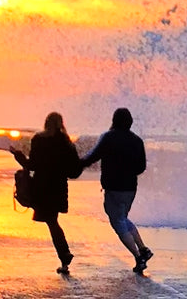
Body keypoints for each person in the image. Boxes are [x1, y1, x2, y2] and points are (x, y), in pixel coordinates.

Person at [80, 107, 153, 273]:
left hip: (114, 187)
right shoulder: (137, 141)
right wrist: (128, 172)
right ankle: (142, 249)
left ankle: (138, 256)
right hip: (130, 188)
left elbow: (92, 156)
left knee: (117, 221)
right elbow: (141, 167)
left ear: (114, 120)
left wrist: (77, 165)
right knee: (122, 217)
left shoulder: (108, 137)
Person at [12, 112, 82, 274]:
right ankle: (64, 258)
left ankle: (65, 256)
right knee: (52, 221)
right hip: (58, 188)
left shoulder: (39, 140)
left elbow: (33, 165)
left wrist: (18, 155)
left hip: (42, 188)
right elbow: (74, 171)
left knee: (52, 222)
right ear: (61, 124)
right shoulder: (66, 142)